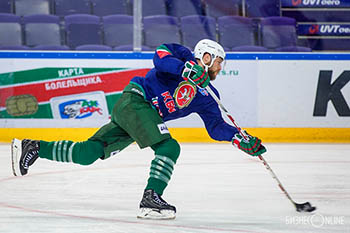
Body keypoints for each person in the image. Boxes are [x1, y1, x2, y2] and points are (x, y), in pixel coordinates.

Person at [11, 39, 266, 220]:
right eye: (219, 61)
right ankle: (151, 198)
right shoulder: (183, 56)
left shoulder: (209, 95)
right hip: (136, 99)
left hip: (141, 114)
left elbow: (216, 127)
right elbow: (161, 55)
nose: (220, 68)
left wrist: (237, 138)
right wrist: (185, 69)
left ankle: (32, 147)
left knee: (87, 153)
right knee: (168, 145)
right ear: (207, 57)